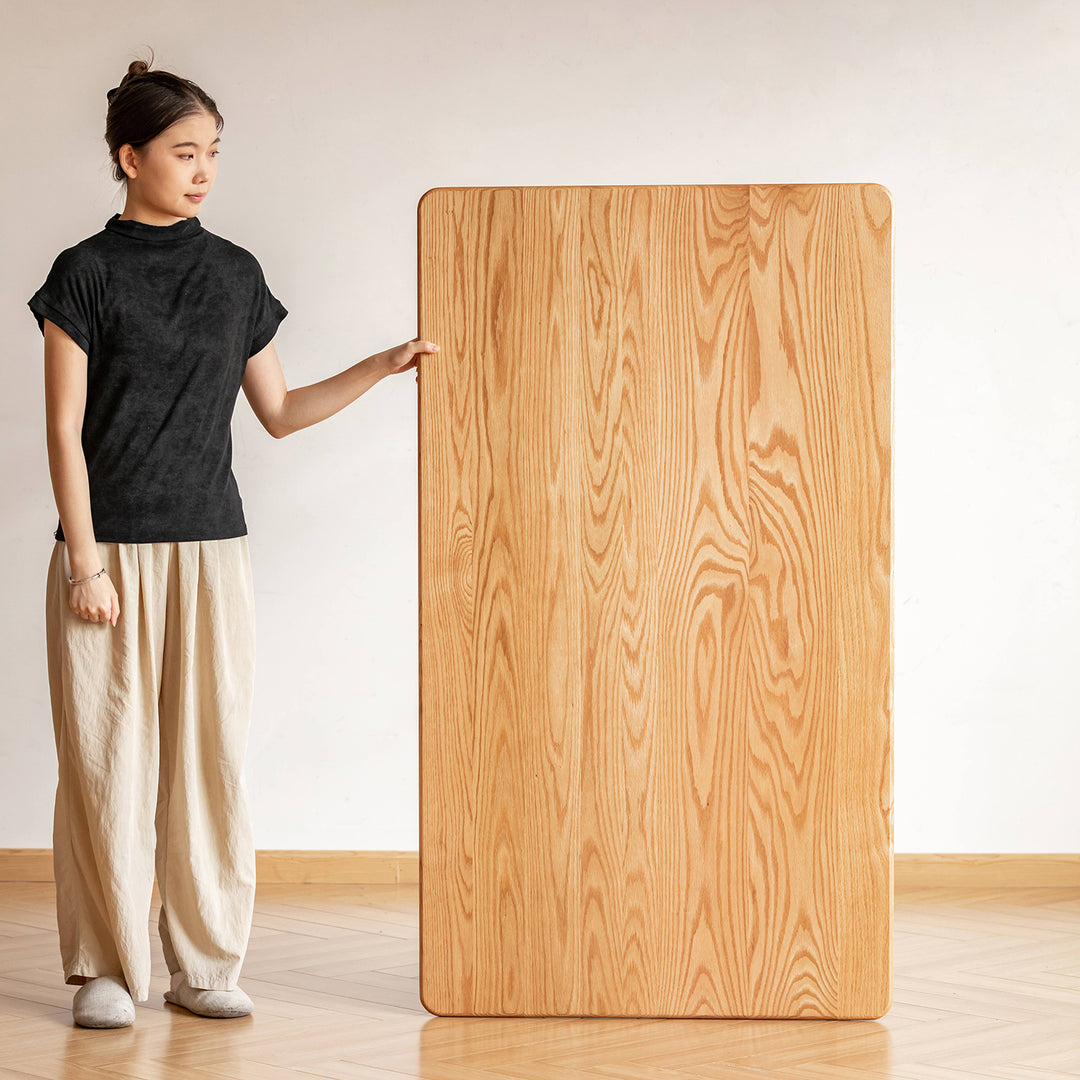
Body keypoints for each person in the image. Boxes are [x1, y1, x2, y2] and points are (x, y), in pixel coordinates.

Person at [28, 52, 439, 1029]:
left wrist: (380, 367)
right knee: (105, 764)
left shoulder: (235, 273)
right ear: (130, 157)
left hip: (213, 551)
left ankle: (204, 963)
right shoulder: (82, 276)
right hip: (108, 554)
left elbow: (283, 411)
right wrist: (86, 562)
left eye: (214, 151)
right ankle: (111, 971)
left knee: (207, 760)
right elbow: (61, 430)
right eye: (183, 151)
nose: (203, 168)